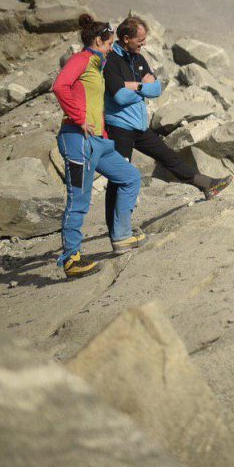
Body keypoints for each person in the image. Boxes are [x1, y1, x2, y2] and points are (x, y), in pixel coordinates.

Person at [102, 15, 231, 237]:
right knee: (120, 178)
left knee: (168, 156)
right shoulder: (111, 60)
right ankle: (116, 229)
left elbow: (156, 90)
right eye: (140, 40)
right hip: (119, 127)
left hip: (138, 126)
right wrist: (141, 88)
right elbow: (120, 97)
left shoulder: (138, 58)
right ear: (125, 38)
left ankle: (206, 184)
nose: (144, 44)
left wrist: (135, 86)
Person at [53, 14, 147, 279]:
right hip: (77, 140)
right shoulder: (80, 60)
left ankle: (121, 237)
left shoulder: (96, 64)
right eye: (108, 43)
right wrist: (79, 117)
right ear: (98, 41)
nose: (111, 48)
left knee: (129, 177)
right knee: (79, 199)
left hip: (98, 142)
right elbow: (60, 86)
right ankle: (71, 259)